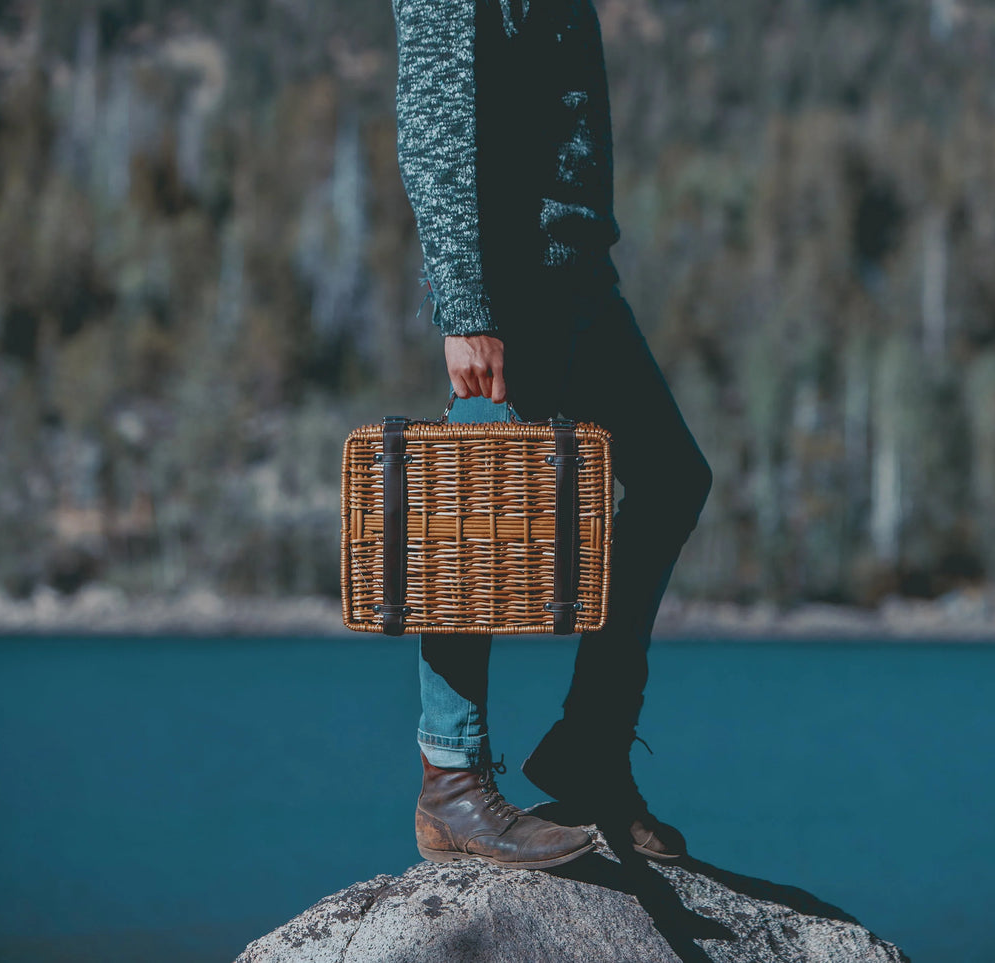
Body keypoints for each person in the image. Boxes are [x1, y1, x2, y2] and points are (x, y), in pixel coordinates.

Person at [392, 0, 713, 869]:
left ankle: (589, 747)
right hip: (508, 283)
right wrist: (465, 309)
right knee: (475, 516)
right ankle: (451, 779)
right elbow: (432, 124)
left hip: (576, 277)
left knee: (672, 477)